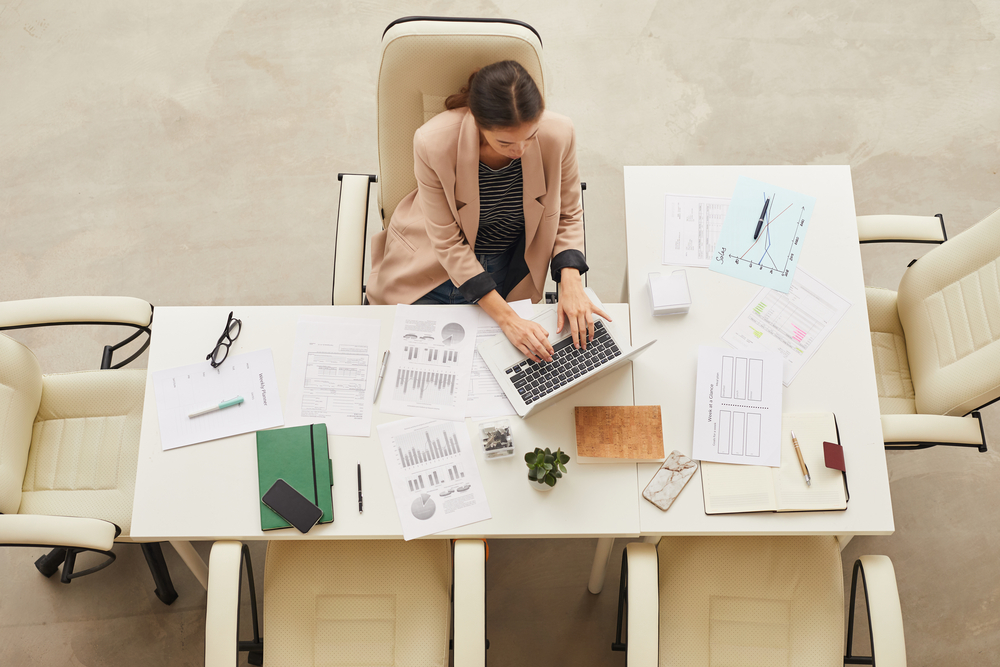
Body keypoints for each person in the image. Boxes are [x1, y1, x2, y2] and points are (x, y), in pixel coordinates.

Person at [365, 60, 609, 363]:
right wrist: (508, 320)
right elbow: (447, 242)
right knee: (407, 367)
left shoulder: (558, 134)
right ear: (478, 122)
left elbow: (569, 214)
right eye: (505, 142)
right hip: (428, 269)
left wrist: (571, 284)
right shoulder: (433, 141)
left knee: (506, 375)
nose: (519, 151)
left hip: (507, 274)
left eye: (530, 137)